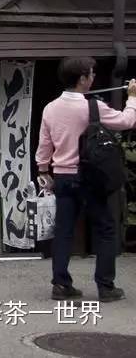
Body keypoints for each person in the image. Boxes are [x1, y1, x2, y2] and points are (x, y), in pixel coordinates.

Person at [36, 57, 136, 303]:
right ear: (81, 78)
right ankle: (105, 287)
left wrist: (42, 170)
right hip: (90, 177)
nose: (93, 78)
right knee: (105, 228)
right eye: (91, 74)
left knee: (64, 231)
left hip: (61, 176)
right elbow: (126, 121)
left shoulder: (50, 108)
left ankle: (61, 284)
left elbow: (44, 145)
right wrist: (132, 97)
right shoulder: (92, 107)